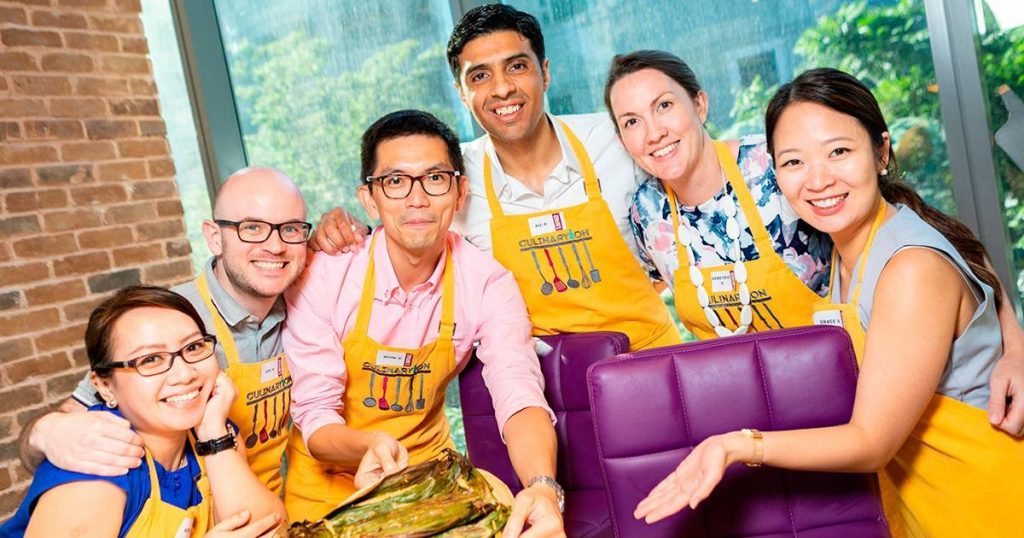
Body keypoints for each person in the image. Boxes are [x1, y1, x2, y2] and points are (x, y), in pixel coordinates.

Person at [632, 68, 1024, 537]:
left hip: (992, 503)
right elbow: (968, 253)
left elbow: (871, 442)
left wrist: (737, 446)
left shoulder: (908, 270)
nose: (818, 180)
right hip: (930, 506)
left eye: (839, 152)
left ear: (881, 152)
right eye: (794, 162)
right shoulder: (845, 248)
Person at [313, 4, 679, 352]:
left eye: (517, 66)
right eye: (480, 76)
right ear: (461, 93)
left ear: (545, 72)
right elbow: (401, 225)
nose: (502, 89)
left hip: (650, 361)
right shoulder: (448, 180)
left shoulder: (615, 139)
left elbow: (698, 190)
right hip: (542, 385)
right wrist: (342, 231)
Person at [282, 110, 564, 537]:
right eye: (395, 182)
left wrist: (543, 487)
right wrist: (370, 446)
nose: (417, 199)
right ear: (369, 199)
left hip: (432, 487)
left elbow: (518, 392)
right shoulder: (323, 276)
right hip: (327, 497)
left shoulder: (486, 282)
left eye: (435, 179)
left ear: (459, 192)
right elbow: (316, 415)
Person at [19, 168, 309, 515]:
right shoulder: (170, 322)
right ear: (214, 237)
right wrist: (45, 432)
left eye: (290, 229)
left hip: (273, 507)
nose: (275, 246)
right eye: (252, 228)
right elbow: (74, 423)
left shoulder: (308, 300)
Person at [1, 286, 286, 537]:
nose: (184, 374)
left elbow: (272, 530)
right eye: (150, 359)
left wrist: (214, 437)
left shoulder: (215, 431)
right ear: (105, 386)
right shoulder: (97, 465)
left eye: (194, 347)